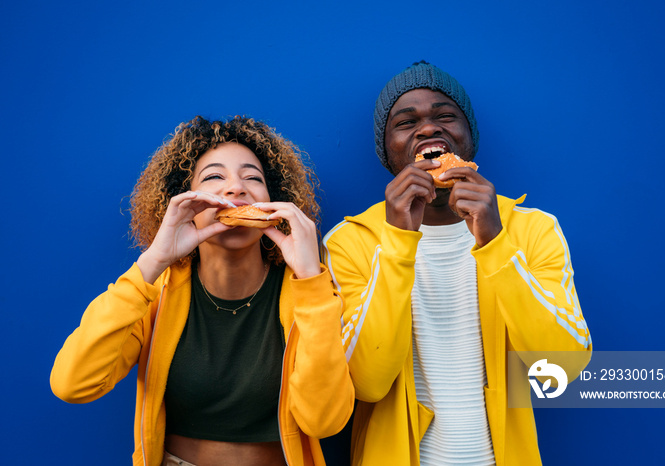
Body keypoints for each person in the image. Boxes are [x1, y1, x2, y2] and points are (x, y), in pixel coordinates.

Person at [322, 61, 592, 465]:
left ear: (469, 138)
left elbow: (563, 365)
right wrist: (397, 241)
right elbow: (366, 382)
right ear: (387, 151)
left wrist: (495, 243)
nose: (428, 128)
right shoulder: (351, 241)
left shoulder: (532, 229)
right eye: (405, 121)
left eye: (445, 115)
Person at [51, 115, 354, 466]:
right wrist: (153, 262)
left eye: (252, 178)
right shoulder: (156, 295)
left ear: (275, 199)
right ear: (184, 203)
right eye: (214, 177)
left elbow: (324, 421)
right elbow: (72, 384)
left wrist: (309, 278)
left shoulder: (309, 293)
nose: (236, 189)